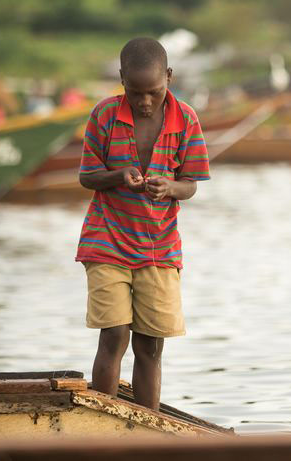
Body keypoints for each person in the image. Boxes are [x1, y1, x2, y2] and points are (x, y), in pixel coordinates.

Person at [76, 37, 210, 410]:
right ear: (121, 80)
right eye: (135, 93)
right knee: (114, 334)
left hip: (159, 245)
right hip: (106, 239)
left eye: (153, 91)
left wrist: (170, 187)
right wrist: (118, 176)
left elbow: (191, 184)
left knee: (150, 344)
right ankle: (103, 423)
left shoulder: (186, 119)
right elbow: (87, 176)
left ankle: (144, 432)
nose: (145, 101)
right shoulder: (103, 115)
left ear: (169, 76)